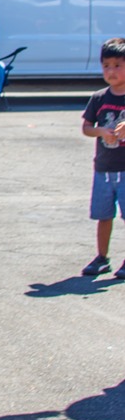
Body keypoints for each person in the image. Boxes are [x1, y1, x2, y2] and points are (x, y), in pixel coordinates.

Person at [80, 37, 125, 278]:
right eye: (106, 65)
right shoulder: (99, 98)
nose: (111, 71)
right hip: (104, 168)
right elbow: (86, 128)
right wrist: (99, 131)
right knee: (103, 215)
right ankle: (102, 257)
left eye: (118, 65)